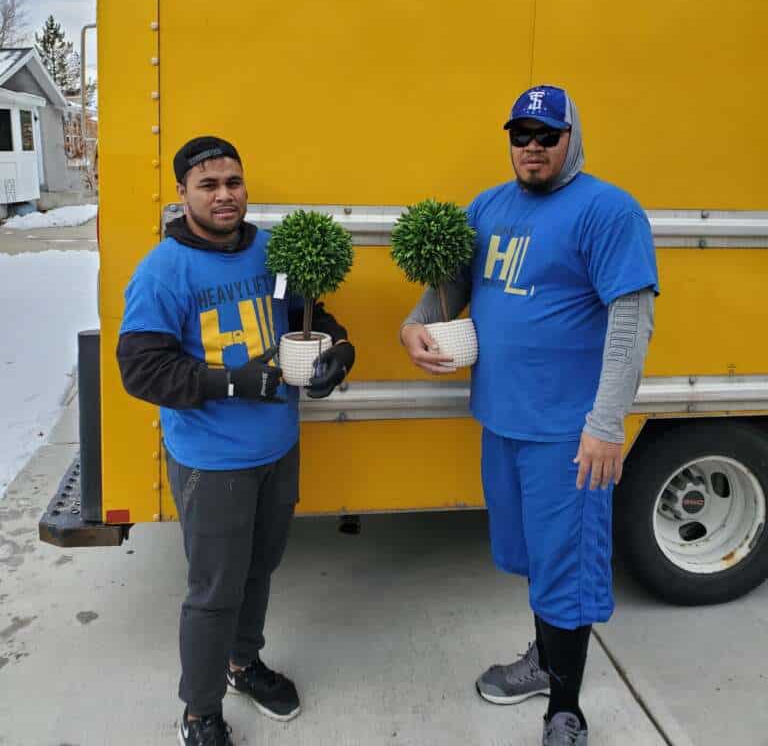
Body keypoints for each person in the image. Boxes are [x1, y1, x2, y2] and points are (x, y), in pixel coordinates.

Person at [400, 86, 657, 746]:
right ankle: (546, 662)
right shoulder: (488, 206)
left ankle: (565, 712)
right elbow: (452, 286)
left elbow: (631, 323)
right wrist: (414, 324)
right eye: (521, 135)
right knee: (536, 560)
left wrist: (605, 424)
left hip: (568, 434)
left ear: (573, 138)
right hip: (502, 421)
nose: (533, 147)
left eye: (548, 135)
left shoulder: (608, 210)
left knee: (568, 572)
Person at [117, 136, 355, 746]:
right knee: (215, 591)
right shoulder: (163, 270)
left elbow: (305, 315)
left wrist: (338, 348)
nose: (224, 195)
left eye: (233, 183)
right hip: (212, 460)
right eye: (208, 185)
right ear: (183, 194)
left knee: (259, 570)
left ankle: (242, 664)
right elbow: (141, 370)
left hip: (277, 448)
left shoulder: (272, 253)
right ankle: (200, 714)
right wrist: (230, 382)